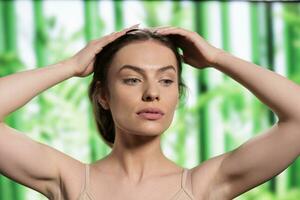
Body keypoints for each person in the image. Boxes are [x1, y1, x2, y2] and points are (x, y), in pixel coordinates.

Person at [0, 23, 300, 200]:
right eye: (132, 79)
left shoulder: (204, 185)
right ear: (103, 94)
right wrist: (70, 67)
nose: (152, 93)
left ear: (177, 94)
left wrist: (217, 58)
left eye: (166, 80)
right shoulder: (70, 180)